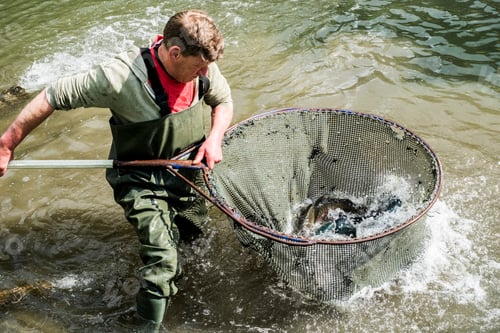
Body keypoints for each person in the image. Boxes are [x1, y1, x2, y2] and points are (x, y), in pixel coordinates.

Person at [0, 9, 233, 331]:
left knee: (195, 238)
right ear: (175, 52)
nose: (206, 72)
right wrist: (6, 145)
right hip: (140, 179)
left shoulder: (203, 65)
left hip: (188, 172)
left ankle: (178, 292)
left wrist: (215, 139)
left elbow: (223, 101)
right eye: (199, 67)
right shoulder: (118, 77)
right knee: (163, 262)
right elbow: (52, 96)